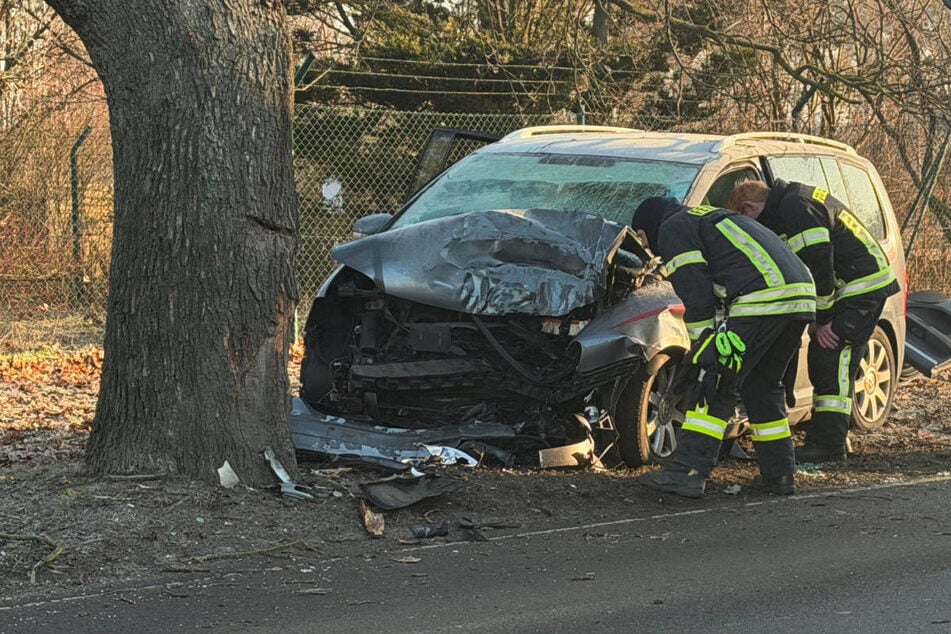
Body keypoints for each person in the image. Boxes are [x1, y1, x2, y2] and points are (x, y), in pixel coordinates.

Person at [630, 197, 816, 498]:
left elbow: (695, 290)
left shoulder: (672, 229)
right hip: (800, 298)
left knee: (712, 380)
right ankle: (780, 474)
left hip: (760, 300)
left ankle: (688, 472)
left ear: (646, 227)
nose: (649, 249)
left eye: (643, 240)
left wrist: (702, 345)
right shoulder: (707, 218)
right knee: (763, 385)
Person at [727, 179, 900, 464]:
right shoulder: (793, 201)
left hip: (860, 288)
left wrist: (823, 320)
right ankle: (832, 438)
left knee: (834, 359)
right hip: (855, 285)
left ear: (750, 208)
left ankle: (830, 445)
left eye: (744, 220)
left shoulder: (795, 209)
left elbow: (818, 263)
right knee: (827, 361)